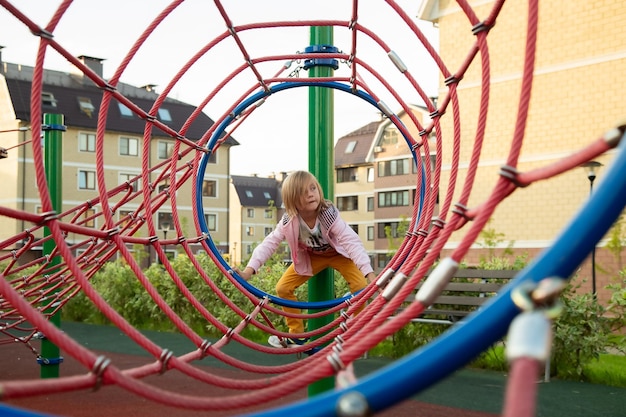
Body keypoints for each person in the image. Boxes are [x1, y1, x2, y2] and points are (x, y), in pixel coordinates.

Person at [236, 170, 375, 348]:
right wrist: (249, 271)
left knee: (361, 286)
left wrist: (369, 274)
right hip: (312, 257)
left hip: (339, 255)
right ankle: (297, 335)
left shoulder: (328, 214)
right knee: (283, 288)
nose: (311, 194)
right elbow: (270, 243)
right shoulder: (289, 220)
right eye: (303, 191)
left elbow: (351, 240)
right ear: (293, 200)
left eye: (313, 188)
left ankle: (354, 328)